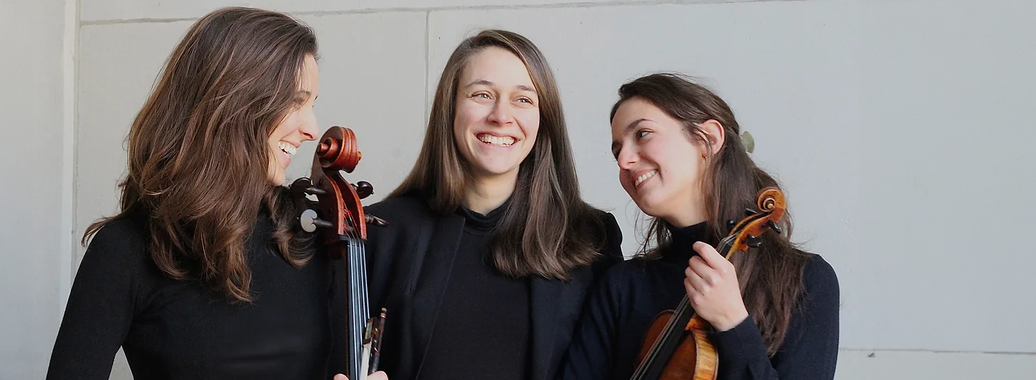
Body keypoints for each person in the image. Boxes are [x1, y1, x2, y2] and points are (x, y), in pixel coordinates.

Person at [46, 7, 386, 380]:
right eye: (295, 102)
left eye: (312, 104)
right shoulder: (125, 251)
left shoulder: (311, 235)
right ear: (234, 103)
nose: (312, 128)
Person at [359, 29, 623, 380]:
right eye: (482, 94)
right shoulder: (379, 231)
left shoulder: (591, 237)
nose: (501, 116)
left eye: (523, 99)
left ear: (544, 119)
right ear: (450, 108)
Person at [559, 73, 840, 380]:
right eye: (617, 151)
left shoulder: (805, 281)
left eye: (642, 134)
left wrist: (732, 323)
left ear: (709, 138)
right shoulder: (622, 286)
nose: (624, 160)